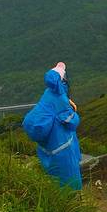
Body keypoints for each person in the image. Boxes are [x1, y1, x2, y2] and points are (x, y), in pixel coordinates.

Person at [22, 62, 82, 190]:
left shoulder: (48, 93)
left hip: (48, 147)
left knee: (53, 176)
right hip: (62, 145)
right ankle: (73, 198)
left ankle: (54, 197)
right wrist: (74, 112)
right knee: (69, 177)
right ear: (62, 80)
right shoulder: (61, 99)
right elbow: (71, 123)